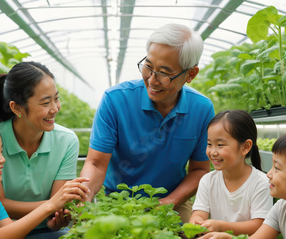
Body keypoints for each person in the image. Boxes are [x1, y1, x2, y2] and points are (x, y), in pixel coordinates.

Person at [80, 23, 215, 223]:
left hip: (173, 202)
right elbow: (96, 163)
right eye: (148, 67)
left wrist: (168, 202)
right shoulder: (115, 99)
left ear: (190, 74)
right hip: (119, 200)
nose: (152, 80)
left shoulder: (202, 109)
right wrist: (84, 197)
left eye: (165, 73)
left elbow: (199, 170)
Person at [0, 61, 80, 238]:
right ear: (16, 108)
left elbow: (57, 206)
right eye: (45, 103)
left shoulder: (67, 141)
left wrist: (56, 217)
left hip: (45, 231)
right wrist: (52, 206)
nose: (55, 108)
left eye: (56, 98)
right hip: (3, 232)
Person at [189, 110, 273, 237]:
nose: (212, 152)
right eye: (209, 144)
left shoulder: (261, 183)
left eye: (220, 145)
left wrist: (221, 227)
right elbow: (199, 213)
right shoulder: (208, 180)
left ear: (245, 147)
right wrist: (197, 223)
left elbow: (259, 225)